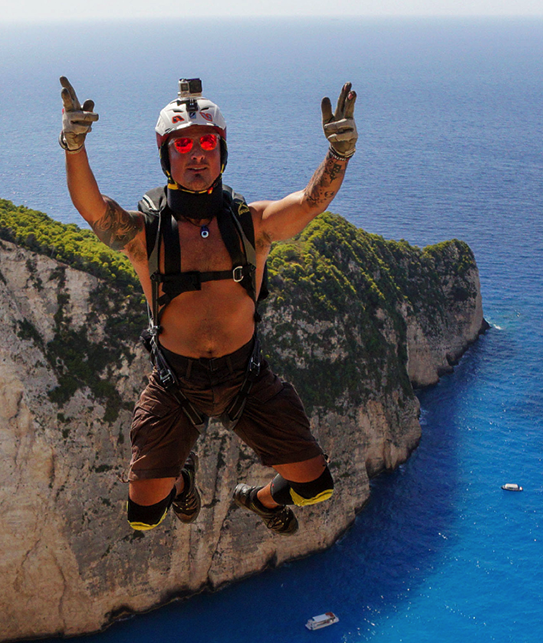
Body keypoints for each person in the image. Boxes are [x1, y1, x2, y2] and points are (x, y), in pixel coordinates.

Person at [59, 74, 357, 535]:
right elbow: (94, 210)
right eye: (182, 145)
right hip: (176, 382)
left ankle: (258, 499)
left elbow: (310, 202)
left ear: (221, 153)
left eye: (205, 142)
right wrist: (73, 146)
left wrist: (339, 154)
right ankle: (182, 482)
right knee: (143, 517)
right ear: (165, 157)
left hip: (246, 378)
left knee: (316, 486)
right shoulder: (147, 233)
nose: (196, 152)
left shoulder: (252, 225)